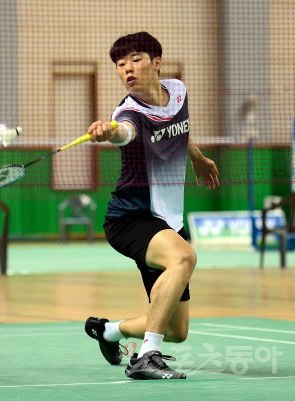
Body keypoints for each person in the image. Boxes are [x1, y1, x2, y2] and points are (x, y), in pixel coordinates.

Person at [84, 32, 219, 380]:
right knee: (184, 257)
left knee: (177, 330)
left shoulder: (178, 91)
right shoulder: (128, 112)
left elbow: (179, 128)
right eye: (120, 64)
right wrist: (108, 131)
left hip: (168, 220)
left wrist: (197, 157)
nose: (127, 68)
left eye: (135, 59)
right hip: (132, 217)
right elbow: (124, 131)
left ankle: (108, 331)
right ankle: (146, 356)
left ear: (156, 63)